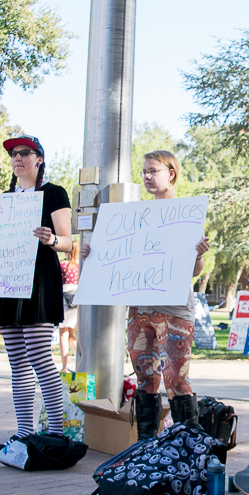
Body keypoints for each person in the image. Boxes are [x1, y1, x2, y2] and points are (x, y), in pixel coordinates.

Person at [82, 150, 210, 439]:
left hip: (174, 310)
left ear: (171, 174)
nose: (148, 177)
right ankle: (145, 446)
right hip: (139, 309)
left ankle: (187, 448)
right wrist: (95, 254)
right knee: (144, 378)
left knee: (175, 378)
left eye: (153, 171)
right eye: (144, 172)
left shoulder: (185, 213)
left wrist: (199, 255)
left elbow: (194, 270)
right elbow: (119, 257)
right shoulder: (135, 216)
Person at [0, 135, 73, 455]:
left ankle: (56, 433)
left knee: (38, 356)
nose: (17, 158)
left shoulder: (53, 193)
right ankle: (24, 432)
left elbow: (68, 242)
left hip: (39, 281)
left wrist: (51, 239)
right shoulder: (5, 198)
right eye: (13, 154)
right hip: (8, 282)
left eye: (25, 153)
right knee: (17, 361)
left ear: (39, 159)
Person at [58, 239, 79, 374]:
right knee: (72, 335)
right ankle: (82, 360)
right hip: (76, 299)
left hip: (64, 299)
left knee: (63, 334)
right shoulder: (80, 266)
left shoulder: (62, 265)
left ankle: (65, 366)